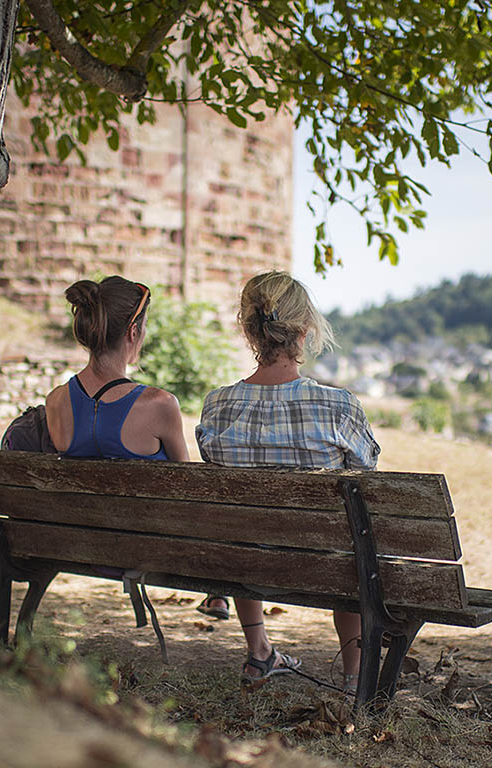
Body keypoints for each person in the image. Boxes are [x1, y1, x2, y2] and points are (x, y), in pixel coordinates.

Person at [196, 270, 381, 686]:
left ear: (249, 331)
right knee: (355, 543)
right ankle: (354, 677)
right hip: (327, 564)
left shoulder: (217, 406)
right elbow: (367, 474)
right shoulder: (338, 407)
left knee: (244, 527)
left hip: (243, 559)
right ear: (304, 332)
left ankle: (258, 651)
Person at [44, 276, 189, 462]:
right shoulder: (161, 405)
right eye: (144, 327)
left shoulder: (56, 401)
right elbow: (186, 481)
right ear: (133, 332)